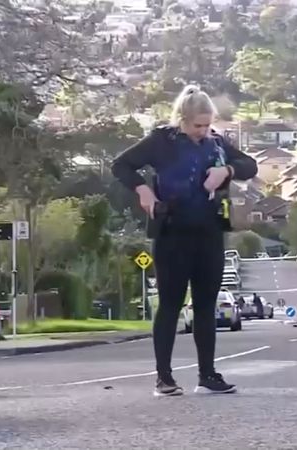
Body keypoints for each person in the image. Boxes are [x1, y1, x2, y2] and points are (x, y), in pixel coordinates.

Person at [111, 85, 257, 397]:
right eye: (197, 126)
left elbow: (250, 166)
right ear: (182, 120)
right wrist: (143, 190)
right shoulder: (161, 142)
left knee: (206, 305)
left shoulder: (216, 143)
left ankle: (208, 375)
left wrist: (226, 171)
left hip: (209, 234)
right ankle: (164, 378)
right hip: (172, 234)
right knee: (170, 305)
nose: (202, 132)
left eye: (207, 125)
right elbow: (121, 165)